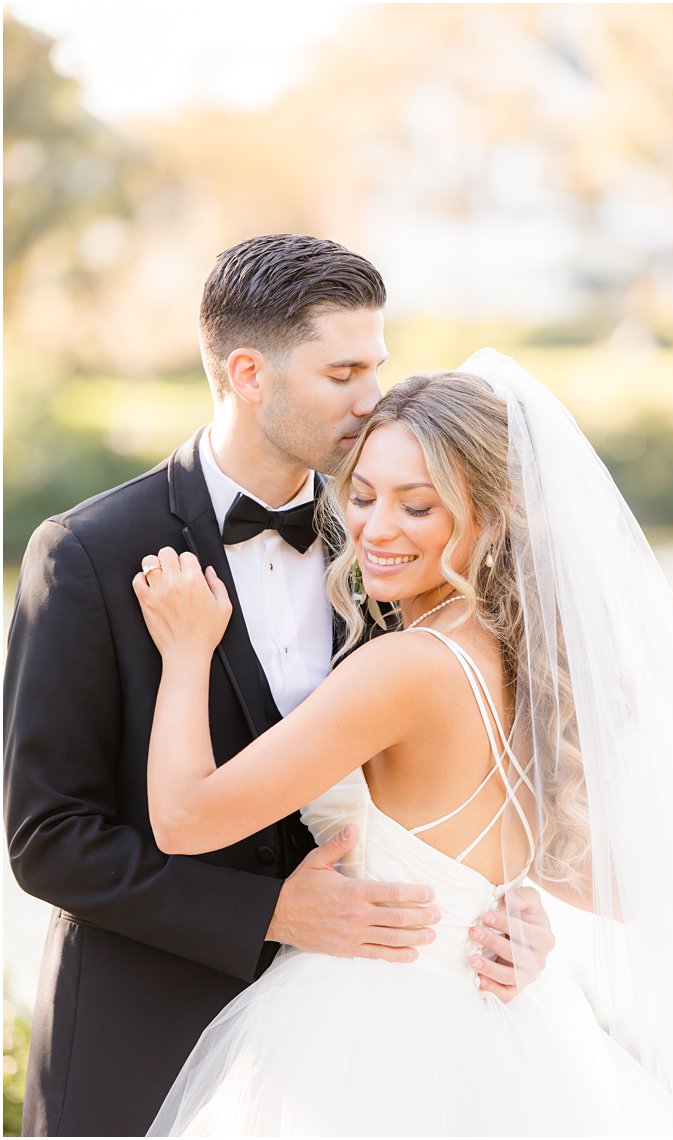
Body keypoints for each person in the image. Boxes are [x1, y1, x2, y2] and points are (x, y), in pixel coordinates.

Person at [3, 236, 550, 1137]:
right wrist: (269, 912)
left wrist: (500, 913)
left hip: (371, 1045)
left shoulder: (390, 540)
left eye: (377, 365)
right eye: (342, 372)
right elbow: (48, 839)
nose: (372, 398)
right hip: (143, 1032)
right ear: (250, 372)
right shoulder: (88, 553)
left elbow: (463, 778)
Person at [135, 357, 673, 1135]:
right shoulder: (529, 662)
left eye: (418, 506)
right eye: (361, 495)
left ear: (489, 519)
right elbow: (622, 885)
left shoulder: (409, 666)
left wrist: (189, 651)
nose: (375, 528)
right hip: (499, 1023)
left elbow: (186, 819)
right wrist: (500, 911)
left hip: (368, 1030)